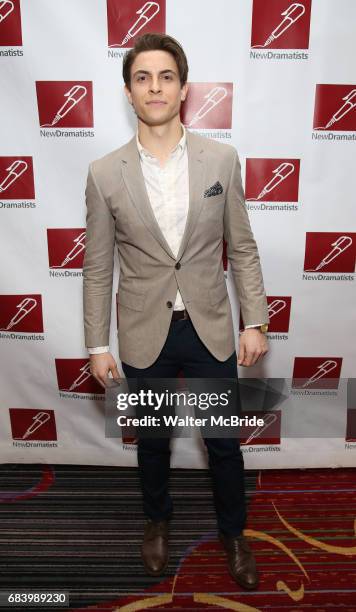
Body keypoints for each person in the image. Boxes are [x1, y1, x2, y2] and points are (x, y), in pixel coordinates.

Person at [83, 33, 269, 590]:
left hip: (210, 326)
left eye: (166, 77)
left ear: (183, 89)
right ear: (129, 91)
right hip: (145, 331)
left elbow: (243, 245)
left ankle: (233, 534)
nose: (155, 87)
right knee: (154, 440)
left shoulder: (222, 159)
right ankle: (157, 522)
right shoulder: (104, 172)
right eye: (143, 78)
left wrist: (255, 319)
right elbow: (97, 267)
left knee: (223, 444)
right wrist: (97, 344)